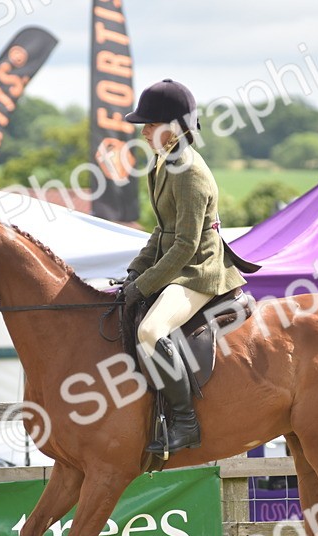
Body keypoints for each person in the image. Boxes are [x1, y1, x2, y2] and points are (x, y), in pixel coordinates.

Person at [121, 78, 249, 454]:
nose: (143, 132)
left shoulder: (190, 172)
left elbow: (185, 245)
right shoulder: (164, 162)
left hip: (200, 271)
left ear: (173, 129)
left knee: (150, 330)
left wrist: (143, 286)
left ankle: (184, 422)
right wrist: (134, 271)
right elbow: (162, 230)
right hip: (179, 262)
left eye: (150, 125)